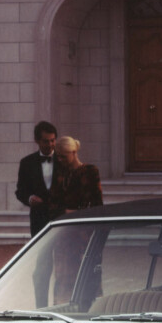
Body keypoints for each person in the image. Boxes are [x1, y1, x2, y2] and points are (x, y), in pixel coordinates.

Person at [49, 137, 103, 303]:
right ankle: (63, 306)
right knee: (63, 275)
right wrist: (66, 211)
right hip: (65, 233)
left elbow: (97, 202)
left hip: (85, 232)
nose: (60, 160)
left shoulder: (90, 171)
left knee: (87, 273)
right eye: (58, 156)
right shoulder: (58, 175)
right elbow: (52, 204)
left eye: (63, 156)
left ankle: (91, 308)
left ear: (74, 152)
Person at [15, 120, 60, 237]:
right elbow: (20, 191)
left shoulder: (64, 160)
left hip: (61, 217)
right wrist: (30, 198)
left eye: (52, 140)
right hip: (38, 219)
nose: (50, 144)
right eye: (46, 141)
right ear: (37, 140)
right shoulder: (27, 163)